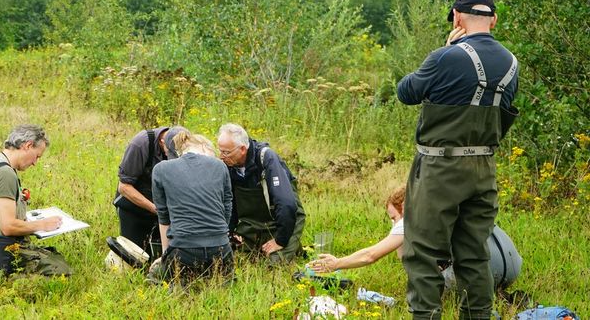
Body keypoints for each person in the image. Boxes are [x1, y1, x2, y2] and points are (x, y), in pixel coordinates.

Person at [396, 0, 520, 319]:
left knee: (422, 253)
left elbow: (406, 92)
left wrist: (447, 49)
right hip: (483, 170)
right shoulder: (512, 63)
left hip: (439, 169)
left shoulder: (446, 56)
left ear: (456, 16)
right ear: (494, 19)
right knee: (474, 254)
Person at [308, 186, 522, 291]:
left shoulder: (410, 220)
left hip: (486, 273)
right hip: (510, 266)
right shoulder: (444, 207)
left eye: (393, 217)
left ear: (403, 208)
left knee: (421, 275)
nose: (393, 223)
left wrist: (337, 264)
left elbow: (371, 255)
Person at [0, 125, 72, 286]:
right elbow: (8, 227)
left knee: (53, 256)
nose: (35, 163)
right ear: (28, 146)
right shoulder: (5, 174)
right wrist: (43, 225)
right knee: (61, 272)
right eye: (37, 156)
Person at [150, 131, 234, 284]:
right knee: (222, 289)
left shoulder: (161, 169)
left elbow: (163, 217)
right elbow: (227, 209)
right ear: (203, 146)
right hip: (221, 250)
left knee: (157, 275)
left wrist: (164, 256)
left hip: (183, 252)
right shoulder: (220, 166)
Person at [216, 123, 306, 265]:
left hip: (284, 219)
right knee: (232, 259)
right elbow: (229, 203)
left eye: (226, 152)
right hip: (254, 224)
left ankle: (291, 243)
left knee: (273, 265)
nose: (221, 157)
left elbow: (286, 204)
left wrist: (280, 240)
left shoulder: (266, 158)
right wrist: (230, 233)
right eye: (220, 151)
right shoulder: (228, 166)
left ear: (242, 149)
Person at [113, 126, 187, 258]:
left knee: (163, 256)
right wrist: (156, 209)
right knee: (134, 256)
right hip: (133, 208)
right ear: (162, 142)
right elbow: (124, 187)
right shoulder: (140, 144)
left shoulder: (184, 143)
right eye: (169, 154)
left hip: (163, 211)